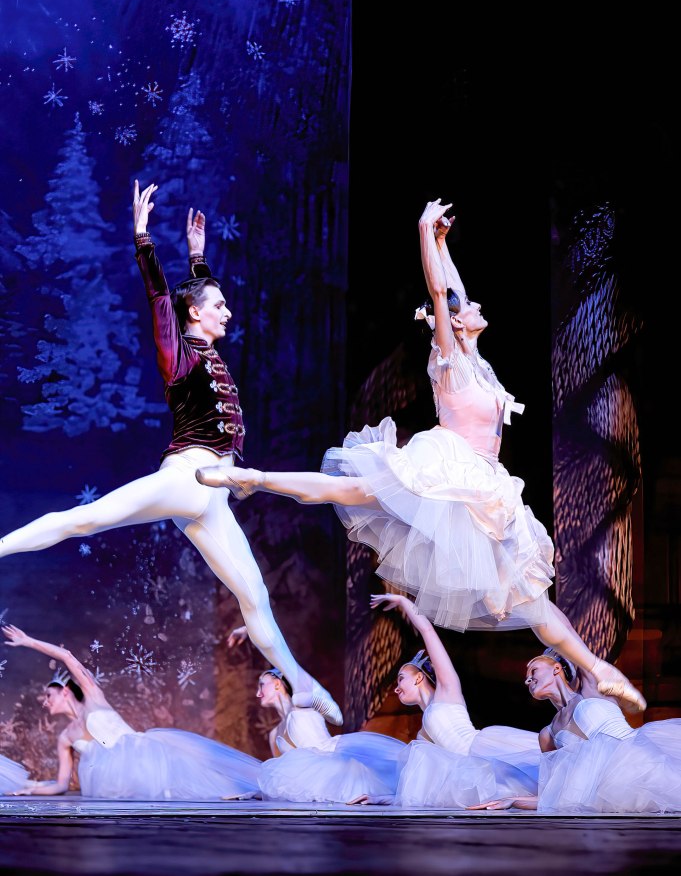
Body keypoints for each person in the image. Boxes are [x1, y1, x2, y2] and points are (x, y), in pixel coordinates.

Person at [194, 196, 645, 717]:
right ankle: (255, 477)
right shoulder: (450, 359)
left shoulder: (476, 362)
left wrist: (443, 243)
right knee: (350, 489)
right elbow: (440, 291)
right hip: (447, 467)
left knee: (533, 604)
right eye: (463, 309)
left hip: (484, 485)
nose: (474, 305)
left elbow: (453, 289)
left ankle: (598, 669)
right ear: (451, 326)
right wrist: (423, 231)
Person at [0, 180, 342, 728]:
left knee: (254, 596)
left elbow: (189, 295)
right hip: (188, 477)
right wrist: (143, 239)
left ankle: (301, 684)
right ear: (194, 315)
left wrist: (199, 257)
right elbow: (163, 300)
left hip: (213, 498)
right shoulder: (178, 356)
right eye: (219, 305)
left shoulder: (203, 345)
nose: (227, 312)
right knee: (84, 519)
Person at [1, 622, 264, 799]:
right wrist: (31, 788)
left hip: (143, 755)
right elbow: (60, 784)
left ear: (65, 691)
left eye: (48, 695)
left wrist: (28, 641)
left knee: (201, 784)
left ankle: (250, 790)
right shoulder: (65, 738)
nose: (45, 702)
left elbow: (68, 657)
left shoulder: (93, 697)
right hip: (112, 782)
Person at [350, 593, 541, 808]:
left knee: (540, 776)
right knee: (512, 795)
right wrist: (384, 799)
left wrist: (403, 602)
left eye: (401, 679)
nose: (396, 687)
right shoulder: (423, 734)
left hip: (482, 750)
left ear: (419, 678)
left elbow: (427, 631)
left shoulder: (447, 692)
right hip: (468, 772)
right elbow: (423, 787)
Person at [472, 650, 681, 814]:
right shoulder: (548, 734)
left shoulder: (590, 689)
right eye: (526, 678)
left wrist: (533, 609)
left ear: (556, 668)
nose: (528, 680)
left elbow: (565, 633)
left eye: (533, 671)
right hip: (608, 795)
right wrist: (514, 800)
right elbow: (555, 792)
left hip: (646, 767)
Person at [227, 624, 406, 804]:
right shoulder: (275, 734)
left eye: (261, 684)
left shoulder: (302, 707)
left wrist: (253, 630)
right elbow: (283, 780)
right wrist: (258, 793)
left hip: (340, 772)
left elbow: (279, 650)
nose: (258, 693)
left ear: (276, 684)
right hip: (316, 792)